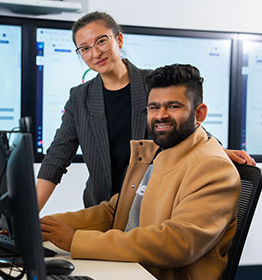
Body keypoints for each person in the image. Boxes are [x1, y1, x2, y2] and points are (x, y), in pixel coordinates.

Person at [37, 11, 254, 210]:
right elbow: (56, 158)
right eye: (84, 48)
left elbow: (185, 127)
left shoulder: (153, 84)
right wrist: (26, 217)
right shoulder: (79, 98)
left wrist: (217, 150)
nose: (95, 53)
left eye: (101, 41)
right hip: (100, 209)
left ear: (119, 39)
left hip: (150, 208)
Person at [41, 64, 241, 280]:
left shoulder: (212, 167)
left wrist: (75, 241)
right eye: (153, 107)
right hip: (130, 270)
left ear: (199, 113)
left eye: (173, 106)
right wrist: (45, 228)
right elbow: (115, 212)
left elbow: (178, 242)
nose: (160, 115)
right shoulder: (156, 153)